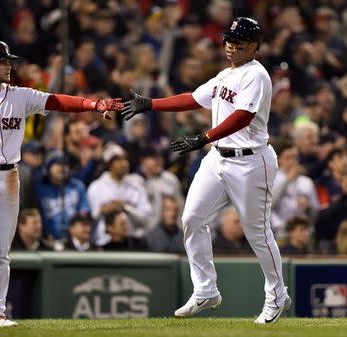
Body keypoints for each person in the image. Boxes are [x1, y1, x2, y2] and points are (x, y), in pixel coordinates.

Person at [122, 17, 291, 324]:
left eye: (238, 41)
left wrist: (203, 138)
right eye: (228, 39)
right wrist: (151, 104)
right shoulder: (227, 74)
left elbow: (243, 116)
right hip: (219, 158)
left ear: (254, 46)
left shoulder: (257, 75)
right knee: (191, 218)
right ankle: (206, 290)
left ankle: (277, 295)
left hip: (251, 161)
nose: (230, 44)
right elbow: (193, 98)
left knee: (257, 233)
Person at [0, 40, 123, 328]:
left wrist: (93, 104)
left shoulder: (19, 96)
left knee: (1, 250)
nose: (9, 66)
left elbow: (56, 101)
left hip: (10, 176)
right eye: (3, 61)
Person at [37, 150, 91, 240]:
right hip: (48, 240)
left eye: (65, 164)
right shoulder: (40, 189)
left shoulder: (77, 186)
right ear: (48, 167)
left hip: (74, 240)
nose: (62, 167)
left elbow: (84, 212)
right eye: (57, 163)